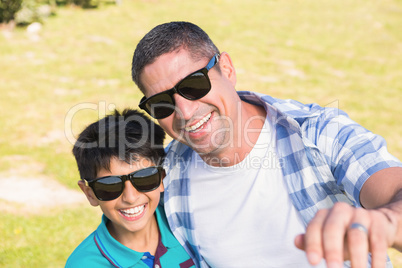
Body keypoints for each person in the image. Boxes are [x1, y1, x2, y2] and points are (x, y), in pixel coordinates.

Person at [131, 21, 402, 268]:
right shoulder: (165, 175)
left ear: (226, 68)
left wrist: (384, 223)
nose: (185, 112)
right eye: (161, 103)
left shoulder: (320, 132)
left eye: (193, 85)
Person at [65, 109, 195, 268]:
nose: (130, 197)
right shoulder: (84, 264)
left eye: (144, 178)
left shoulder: (190, 226)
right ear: (89, 193)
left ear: (161, 178)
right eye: (110, 185)